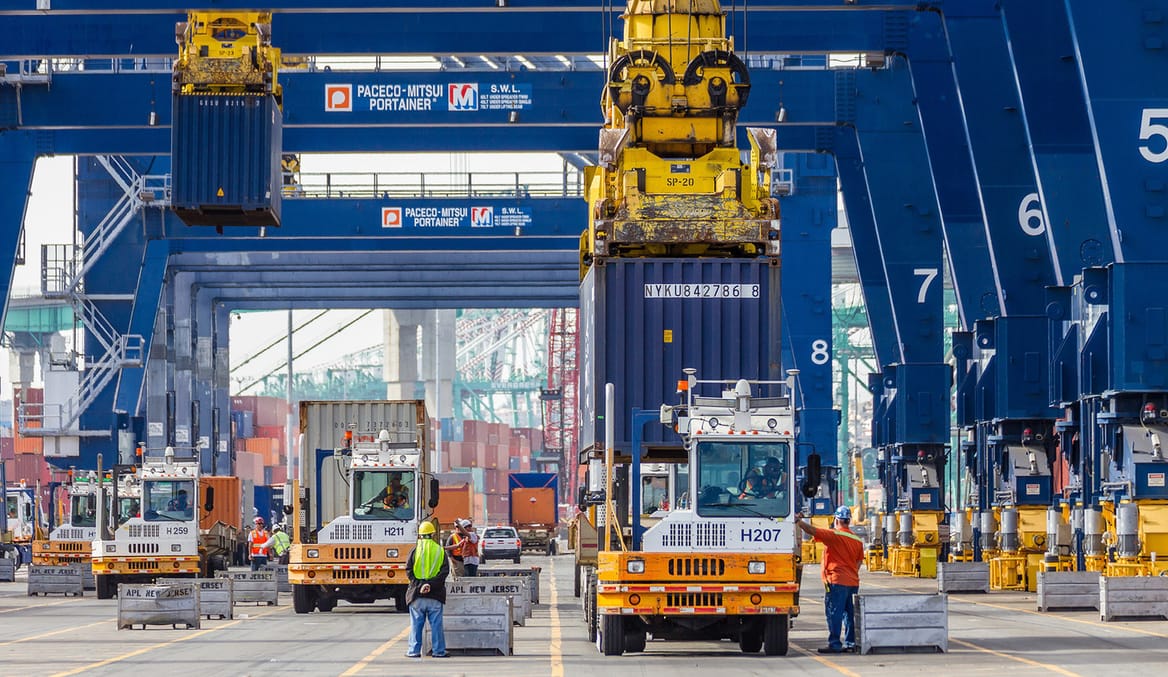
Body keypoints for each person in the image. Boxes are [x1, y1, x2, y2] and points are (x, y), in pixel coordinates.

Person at [794, 505, 865, 654]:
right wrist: (850, 573)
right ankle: (850, 643)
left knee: (834, 612)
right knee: (849, 614)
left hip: (836, 581)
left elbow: (812, 531)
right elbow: (859, 562)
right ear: (849, 521)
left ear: (837, 520)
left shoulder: (835, 535)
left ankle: (835, 644)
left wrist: (798, 522)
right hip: (853, 582)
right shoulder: (857, 540)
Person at [406, 521, 450, 659]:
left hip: (417, 596)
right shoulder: (440, 550)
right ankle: (438, 651)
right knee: (436, 626)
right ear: (432, 534)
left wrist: (420, 586)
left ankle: (413, 651)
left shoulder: (414, 550)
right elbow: (444, 573)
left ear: (419, 535)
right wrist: (430, 585)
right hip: (435, 596)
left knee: (416, 625)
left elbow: (409, 571)